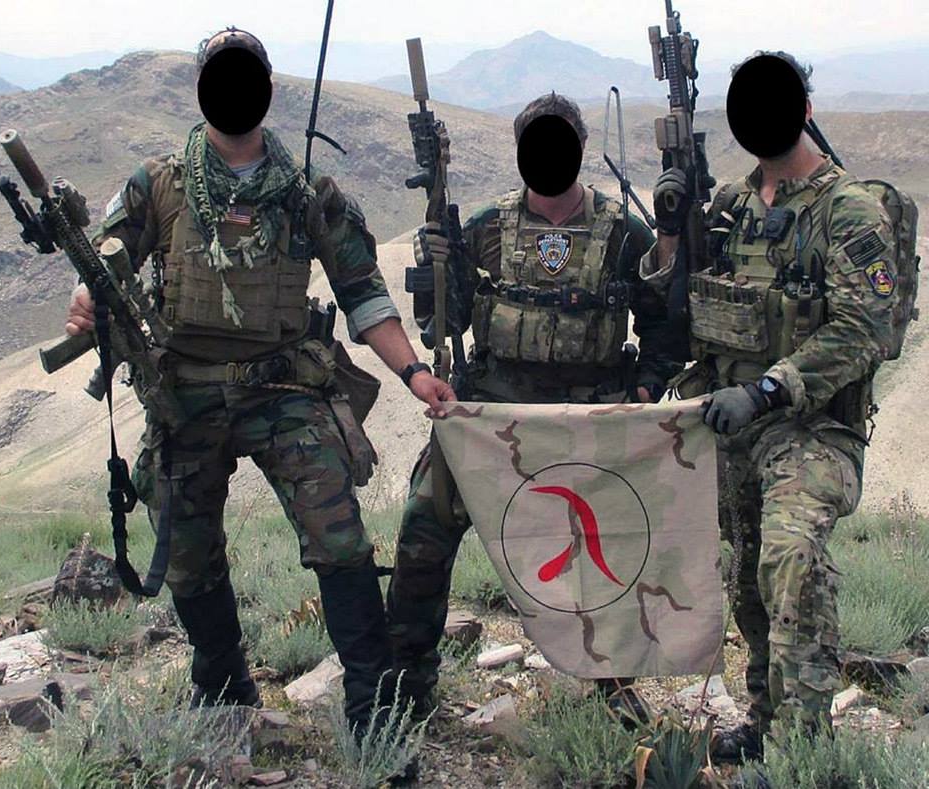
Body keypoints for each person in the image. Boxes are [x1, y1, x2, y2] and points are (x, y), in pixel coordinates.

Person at [65, 27, 454, 734]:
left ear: (267, 90)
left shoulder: (306, 193)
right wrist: (88, 291)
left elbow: (364, 293)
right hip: (185, 391)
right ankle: (223, 685)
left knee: (339, 536)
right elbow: (110, 253)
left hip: (284, 391)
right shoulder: (160, 183)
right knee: (186, 552)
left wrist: (415, 372)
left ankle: (373, 707)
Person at [387, 92, 684, 717]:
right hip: (495, 416)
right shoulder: (485, 229)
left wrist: (643, 390)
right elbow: (445, 322)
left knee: (609, 547)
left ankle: (613, 684)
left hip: (589, 421)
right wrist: (435, 268)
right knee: (423, 527)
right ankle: (408, 682)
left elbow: (663, 325)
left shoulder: (622, 233)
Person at [643, 52, 899, 762]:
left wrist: (767, 389)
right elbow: (673, 296)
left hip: (812, 427)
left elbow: (865, 328)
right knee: (747, 570)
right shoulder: (729, 205)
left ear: (805, 111)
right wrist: (672, 228)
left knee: (791, 555)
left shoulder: (847, 209)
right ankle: (765, 717)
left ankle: (803, 749)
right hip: (731, 426)